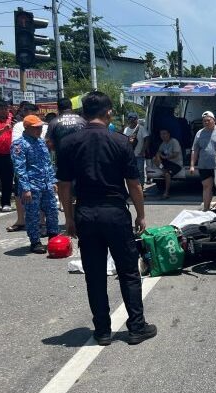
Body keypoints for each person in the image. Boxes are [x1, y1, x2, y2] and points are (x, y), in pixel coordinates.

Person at [56, 91, 156, 346]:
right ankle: (136, 327)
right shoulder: (121, 141)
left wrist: (69, 218)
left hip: (86, 212)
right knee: (128, 272)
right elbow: (133, 184)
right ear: (108, 112)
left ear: (83, 114)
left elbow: (64, 186)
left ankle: (102, 330)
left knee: (95, 274)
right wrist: (141, 215)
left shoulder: (68, 143)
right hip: (114, 212)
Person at [12, 115, 60, 253]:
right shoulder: (19, 144)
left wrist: (52, 181)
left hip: (45, 184)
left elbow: (48, 163)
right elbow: (19, 168)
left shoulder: (40, 142)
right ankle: (35, 241)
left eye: (40, 127)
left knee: (52, 210)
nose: (39, 130)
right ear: (27, 128)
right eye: (36, 128)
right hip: (31, 186)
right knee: (32, 215)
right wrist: (26, 189)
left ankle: (53, 236)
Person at [7, 103, 43, 232]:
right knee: (22, 194)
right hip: (26, 169)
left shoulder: (43, 127)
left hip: (41, 170)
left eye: (37, 115)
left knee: (43, 198)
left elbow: (45, 144)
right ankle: (21, 220)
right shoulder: (18, 126)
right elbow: (18, 149)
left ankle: (42, 223)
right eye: (33, 115)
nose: (36, 119)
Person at [189, 111, 216, 211]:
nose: (206, 122)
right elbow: (195, 150)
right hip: (204, 166)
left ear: (214, 120)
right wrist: (192, 165)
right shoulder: (199, 133)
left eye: (208, 120)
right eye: (204, 121)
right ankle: (206, 209)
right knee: (206, 187)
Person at [153, 129, 181, 199]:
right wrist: (159, 156)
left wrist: (164, 157)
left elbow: (175, 154)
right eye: (161, 134)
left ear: (169, 134)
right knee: (155, 158)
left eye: (164, 134)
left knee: (167, 175)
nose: (163, 136)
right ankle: (163, 170)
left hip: (176, 164)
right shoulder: (163, 143)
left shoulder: (174, 141)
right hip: (167, 163)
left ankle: (166, 192)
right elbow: (158, 152)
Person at [123, 112, 149, 186]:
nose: (132, 121)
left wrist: (143, 151)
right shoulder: (126, 129)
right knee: (130, 172)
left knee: (140, 172)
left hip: (139, 155)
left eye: (134, 119)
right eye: (130, 119)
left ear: (136, 119)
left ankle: (141, 188)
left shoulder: (141, 128)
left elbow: (147, 139)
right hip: (130, 155)